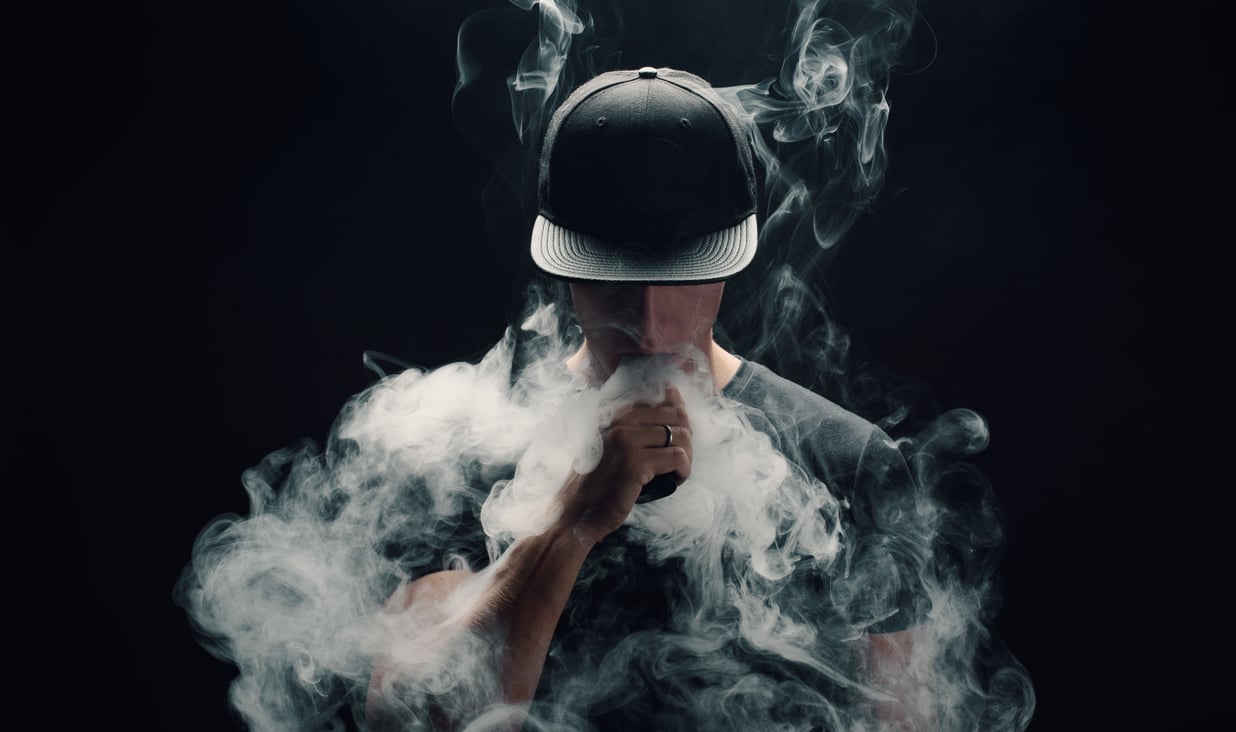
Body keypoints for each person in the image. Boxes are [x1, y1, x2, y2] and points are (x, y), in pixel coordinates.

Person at [365, 67, 934, 731]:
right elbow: (413, 719)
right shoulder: (458, 454)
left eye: (681, 278)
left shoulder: (849, 459)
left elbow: (904, 723)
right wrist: (571, 520)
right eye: (612, 282)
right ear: (565, 265)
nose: (650, 326)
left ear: (727, 261)